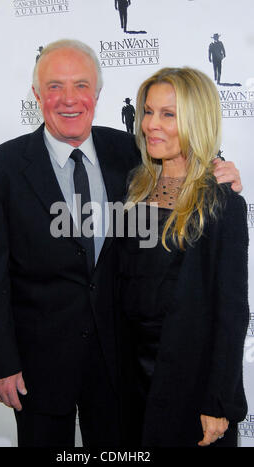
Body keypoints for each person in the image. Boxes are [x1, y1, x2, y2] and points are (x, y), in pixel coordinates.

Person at [0, 39, 241, 448]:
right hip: (41, 368)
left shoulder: (132, 155)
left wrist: (224, 170)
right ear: (37, 94)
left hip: (122, 368)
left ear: (97, 94)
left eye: (81, 86)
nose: (69, 99)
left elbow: (187, 156)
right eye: (54, 87)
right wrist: (0, 363)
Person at [117, 67, 249, 447]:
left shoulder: (221, 203)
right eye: (148, 111)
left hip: (191, 384)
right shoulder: (132, 190)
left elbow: (232, 311)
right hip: (130, 382)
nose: (150, 124)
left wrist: (219, 401)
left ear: (196, 119)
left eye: (168, 114)